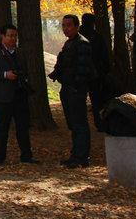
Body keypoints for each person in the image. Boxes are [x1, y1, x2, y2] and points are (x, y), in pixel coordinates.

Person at [0, 24, 39, 165]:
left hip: (20, 94)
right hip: (3, 95)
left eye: (15, 35)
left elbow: (25, 70)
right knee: (1, 127)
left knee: (23, 126)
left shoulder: (20, 53)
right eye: (10, 35)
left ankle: (26, 155)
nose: (13, 38)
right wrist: (5, 75)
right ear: (2, 36)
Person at [49, 14, 97, 168]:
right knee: (73, 122)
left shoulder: (82, 44)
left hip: (76, 88)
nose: (66, 28)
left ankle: (82, 157)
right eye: (63, 25)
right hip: (67, 86)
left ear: (77, 26)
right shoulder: (69, 43)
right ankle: (76, 154)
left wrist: (76, 85)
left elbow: (83, 68)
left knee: (79, 122)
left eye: (69, 25)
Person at [79, 13, 112, 130]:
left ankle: (82, 124)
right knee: (97, 100)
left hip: (80, 74)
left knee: (80, 100)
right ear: (93, 23)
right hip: (96, 73)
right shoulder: (97, 37)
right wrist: (106, 70)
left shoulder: (77, 36)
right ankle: (99, 123)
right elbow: (104, 56)